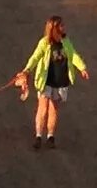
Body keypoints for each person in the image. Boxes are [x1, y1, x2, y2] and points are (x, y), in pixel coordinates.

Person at [14, 15, 88, 148]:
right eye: (61, 25)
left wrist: (82, 68)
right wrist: (26, 70)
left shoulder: (66, 41)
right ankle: (38, 136)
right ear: (53, 28)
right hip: (45, 81)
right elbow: (35, 57)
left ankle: (50, 136)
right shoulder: (44, 43)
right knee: (42, 108)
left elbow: (73, 55)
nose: (63, 27)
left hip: (60, 81)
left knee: (54, 109)